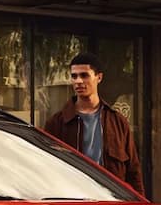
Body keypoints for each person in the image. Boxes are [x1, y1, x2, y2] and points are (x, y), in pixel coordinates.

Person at [41, 52, 144, 194]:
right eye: (74, 76)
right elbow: (47, 169)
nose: (78, 81)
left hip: (111, 201)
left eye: (84, 75)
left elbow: (133, 171)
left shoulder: (117, 122)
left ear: (99, 77)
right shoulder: (57, 123)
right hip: (73, 200)